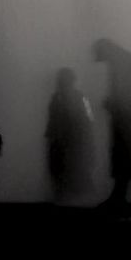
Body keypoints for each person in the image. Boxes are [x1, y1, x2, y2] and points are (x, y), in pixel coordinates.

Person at [92, 38, 131, 210]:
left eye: (99, 55)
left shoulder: (121, 61)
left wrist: (112, 103)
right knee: (125, 154)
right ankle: (125, 194)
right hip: (128, 116)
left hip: (128, 117)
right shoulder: (122, 59)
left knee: (128, 154)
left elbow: (127, 90)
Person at [45, 67, 97, 202]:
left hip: (74, 144)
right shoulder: (58, 98)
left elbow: (88, 121)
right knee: (63, 176)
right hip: (64, 144)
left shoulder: (77, 98)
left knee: (75, 176)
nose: (62, 83)